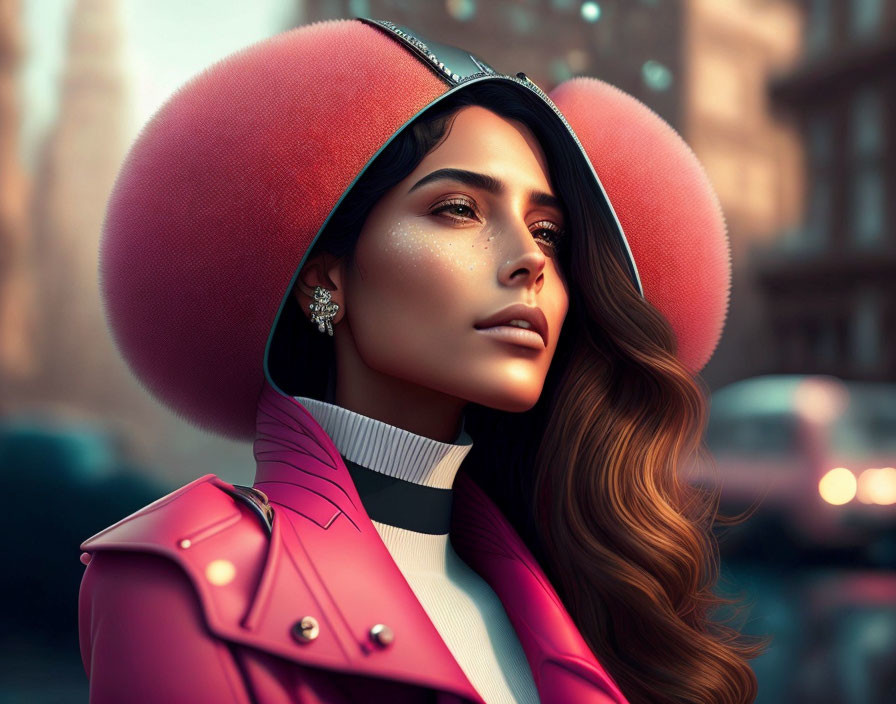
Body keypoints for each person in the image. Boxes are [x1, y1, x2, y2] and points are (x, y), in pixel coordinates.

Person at [78, 17, 766, 704]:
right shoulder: (182, 583)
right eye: (460, 208)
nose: (530, 259)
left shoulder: (570, 587)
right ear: (326, 280)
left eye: (547, 230)